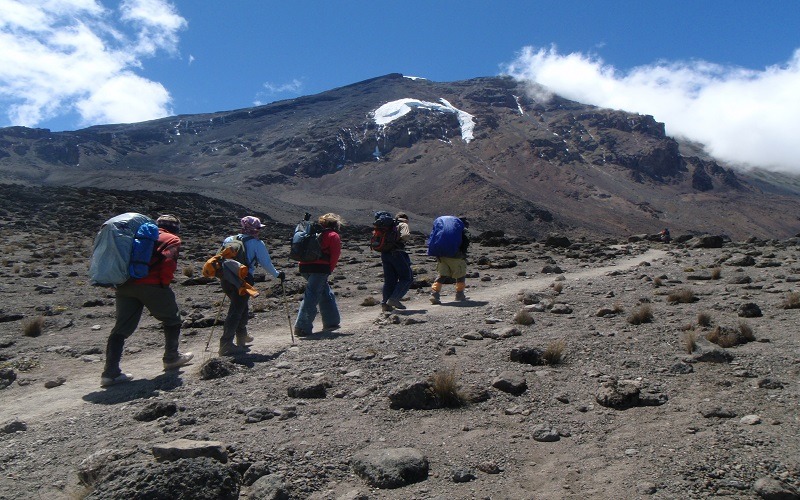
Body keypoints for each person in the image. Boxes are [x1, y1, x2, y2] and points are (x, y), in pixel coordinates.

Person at [100, 214, 193, 387]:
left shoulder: (136, 235)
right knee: (172, 319)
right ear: (176, 228)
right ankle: (172, 358)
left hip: (125, 285)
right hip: (152, 284)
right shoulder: (171, 238)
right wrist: (163, 285)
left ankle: (110, 373)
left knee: (120, 328)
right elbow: (168, 262)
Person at [218, 216, 286, 356]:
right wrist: (277, 275)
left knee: (241, 307)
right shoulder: (257, 243)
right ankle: (226, 345)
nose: (259, 231)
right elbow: (266, 263)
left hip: (226, 278)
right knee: (236, 311)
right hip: (244, 279)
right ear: (254, 229)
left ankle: (242, 338)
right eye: (258, 228)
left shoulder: (229, 239)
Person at [294, 213, 344, 336]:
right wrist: (329, 270)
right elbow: (335, 255)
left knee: (325, 292)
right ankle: (302, 327)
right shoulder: (333, 235)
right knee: (311, 296)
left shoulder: (310, 233)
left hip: (304, 266)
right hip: (320, 268)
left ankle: (331, 321)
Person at [428, 216, 470, 304]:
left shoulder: (445, 229)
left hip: (441, 255)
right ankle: (459, 294)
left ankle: (434, 294)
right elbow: (465, 242)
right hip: (455, 256)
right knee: (460, 275)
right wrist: (463, 254)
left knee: (442, 275)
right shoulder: (463, 229)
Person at [381, 212, 413, 311]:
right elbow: (405, 236)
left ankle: (385, 304)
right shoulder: (403, 224)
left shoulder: (388, 225)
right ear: (405, 218)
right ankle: (394, 299)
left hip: (385, 254)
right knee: (407, 278)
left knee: (390, 280)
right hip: (397, 253)